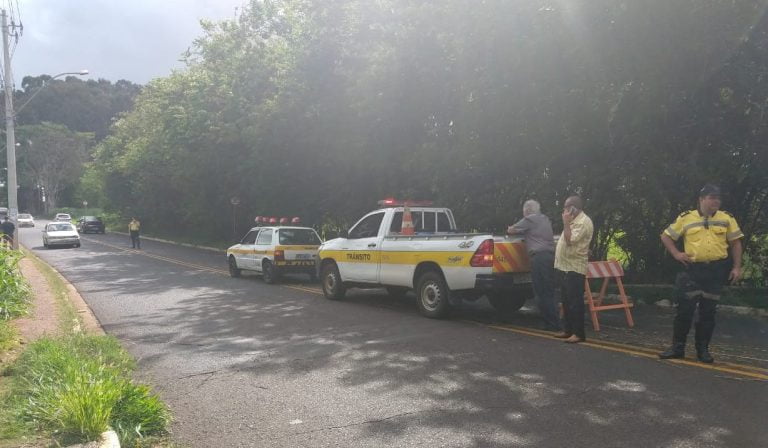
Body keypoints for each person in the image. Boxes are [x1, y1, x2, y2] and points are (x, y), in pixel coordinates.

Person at [658, 184, 743, 363]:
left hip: (715, 270)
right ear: (701, 199)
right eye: (712, 197)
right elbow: (666, 236)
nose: (716, 201)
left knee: (708, 312)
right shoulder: (686, 218)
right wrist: (676, 253)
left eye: (718, 198)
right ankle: (677, 347)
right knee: (684, 311)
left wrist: (736, 267)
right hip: (692, 270)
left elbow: (735, 243)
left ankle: (703, 350)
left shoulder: (726, 218)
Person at [507, 199, 561, 331]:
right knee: (549, 290)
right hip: (550, 256)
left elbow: (511, 230)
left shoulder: (529, 219)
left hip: (539, 258)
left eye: (524, 210)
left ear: (527, 210)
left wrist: (511, 228)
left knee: (540, 292)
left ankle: (550, 324)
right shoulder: (545, 218)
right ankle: (555, 321)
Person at [553, 195, 594, 343]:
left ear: (573, 209)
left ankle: (578, 333)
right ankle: (568, 330)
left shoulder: (583, 222)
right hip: (565, 266)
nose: (563, 210)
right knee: (565, 300)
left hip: (575, 267)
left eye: (566, 207)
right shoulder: (574, 221)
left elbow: (570, 241)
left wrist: (565, 222)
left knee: (575, 301)